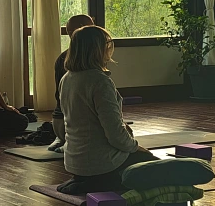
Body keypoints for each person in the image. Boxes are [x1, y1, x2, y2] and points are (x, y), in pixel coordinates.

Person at [57, 25, 158, 195]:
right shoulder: (99, 82)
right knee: (154, 165)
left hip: (74, 162)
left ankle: (87, 181)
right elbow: (115, 135)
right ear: (100, 49)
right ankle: (102, 182)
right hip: (101, 163)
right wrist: (136, 148)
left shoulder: (66, 79)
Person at [49, 14, 95, 152]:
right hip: (70, 125)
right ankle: (69, 142)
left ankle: (63, 139)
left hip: (58, 122)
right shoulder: (89, 59)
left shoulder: (63, 57)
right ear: (82, 29)